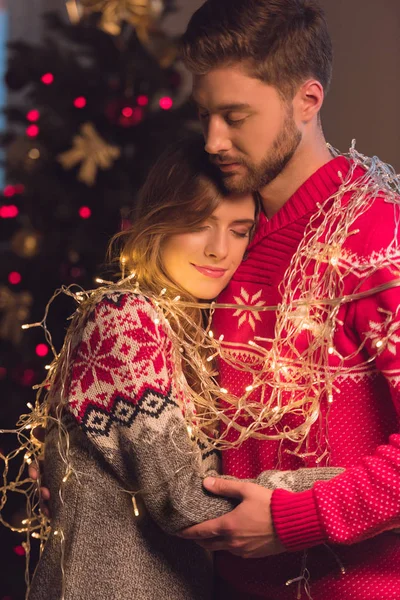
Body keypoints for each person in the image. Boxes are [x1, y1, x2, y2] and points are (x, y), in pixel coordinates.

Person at [27, 137, 341, 600]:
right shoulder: (125, 318)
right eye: (199, 223)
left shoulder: (190, 331)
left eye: (239, 230)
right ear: (159, 222)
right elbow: (187, 503)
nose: (219, 249)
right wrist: (354, 489)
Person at [177, 1, 400, 599]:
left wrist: (293, 519)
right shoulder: (213, 242)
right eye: (204, 115)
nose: (213, 140)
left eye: (235, 116)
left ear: (307, 100)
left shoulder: (377, 237)